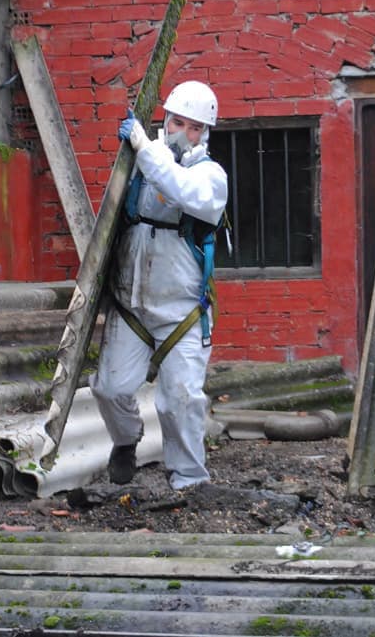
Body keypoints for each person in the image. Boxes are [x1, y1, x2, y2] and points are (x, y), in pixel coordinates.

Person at [88, 80, 228, 490]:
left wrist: (144, 148)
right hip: (131, 306)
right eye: (177, 122)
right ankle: (126, 440)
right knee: (109, 388)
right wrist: (138, 152)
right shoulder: (140, 165)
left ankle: (188, 482)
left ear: (206, 133)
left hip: (181, 311)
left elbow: (180, 190)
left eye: (195, 127)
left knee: (181, 400)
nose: (183, 133)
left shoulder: (210, 176)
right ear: (165, 119)